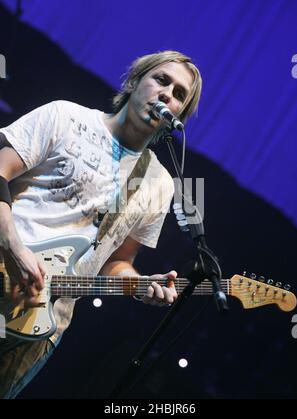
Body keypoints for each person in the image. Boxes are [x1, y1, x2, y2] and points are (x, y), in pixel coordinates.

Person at [0, 50, 202, 398]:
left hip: (41, 326)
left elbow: (117, 261)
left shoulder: (159, 183)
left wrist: (140, 284)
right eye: (161, 80)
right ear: (135, 81)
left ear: (179, 113)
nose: (167, 94)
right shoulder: (65, 116)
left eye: (180, 94)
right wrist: (14, 248)